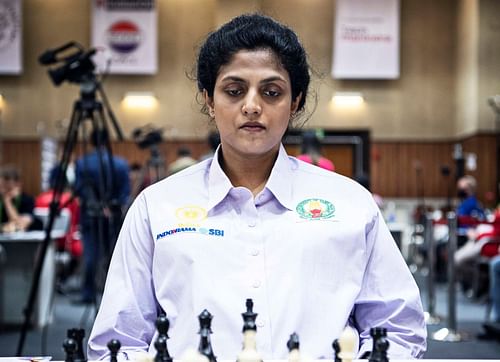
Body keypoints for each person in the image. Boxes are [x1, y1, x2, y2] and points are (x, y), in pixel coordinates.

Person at [88, 14, 426, 360]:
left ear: (294, 102)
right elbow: (118, 341)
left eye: (272, 92)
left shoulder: (351, 204)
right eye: (234, 91)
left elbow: (398, 329)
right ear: (208, 99)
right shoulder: (155, 207)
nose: (252, 106)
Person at [74, 128, 130, 304]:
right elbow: (125, 193)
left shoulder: (82, 163)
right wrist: (111, 206)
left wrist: (96, 205)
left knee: (91, 255)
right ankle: (114, 295)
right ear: (107, 141)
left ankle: (88, 294)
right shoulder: (120, 163)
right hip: (113, 216)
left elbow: (79, 190)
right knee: (115, 256)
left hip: (91, 216)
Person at [0, 165, 37, 233]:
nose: (3, 190)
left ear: (18, 184)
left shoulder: (27, 200)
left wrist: (7, 201)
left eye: (7, 188)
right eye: (2, 186)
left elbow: (19, 224)